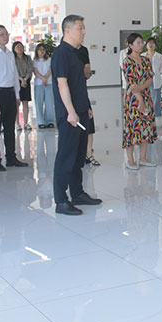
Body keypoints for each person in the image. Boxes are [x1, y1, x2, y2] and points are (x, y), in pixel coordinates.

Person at [51, 14, 102, 215]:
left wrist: (85, 107)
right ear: (67, 30)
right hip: (69, 115)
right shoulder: (61, 53)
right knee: (66, 156)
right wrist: (71, 112)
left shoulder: (76, 53)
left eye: (83, 28)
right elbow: (62, 84)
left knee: (79, 156)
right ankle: (61, 200)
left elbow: (78, 84)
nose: (83, 32)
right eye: (80, 28)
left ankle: (77, 193)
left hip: (81, 111)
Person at [0, 25, 27, 171]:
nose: (5, 37)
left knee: (9, 128)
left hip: (10, 93)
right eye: (1, 34)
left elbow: (14, 75)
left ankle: (11, 157)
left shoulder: (9, 54)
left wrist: (17, 95)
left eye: (6, 34)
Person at [122, 33, 158, 170]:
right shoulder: (127, 61)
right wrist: (140, 100)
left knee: (146, 126)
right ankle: (130, 160)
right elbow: (131, 83)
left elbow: (150, 78)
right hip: (133, 99)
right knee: (132, 127)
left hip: (146, 95)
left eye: (142, 42)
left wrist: (142, 88)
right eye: (138, 42)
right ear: (130, 45)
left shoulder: (146, 60)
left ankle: (142, 158)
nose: (141, 44)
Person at [76, 43, 100, 166]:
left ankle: (88, 153)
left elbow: (87, 71)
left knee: (89, 122)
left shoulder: (83, 50)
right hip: (69, 93)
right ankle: (77, 153)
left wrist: (87, 71)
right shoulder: (63, 51)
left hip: (82, 91)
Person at [13, 41, 34, 132]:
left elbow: (30, 69)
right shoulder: (12, 59)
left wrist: (25, 79)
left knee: (25, 102)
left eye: (21, 46)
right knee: (17, 103)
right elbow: (13, 71)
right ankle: (17, 124)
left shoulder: (27, 58)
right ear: (14, 49)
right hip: (16, 81)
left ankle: (26, 123)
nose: (20, 48)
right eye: (17, 47)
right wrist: (21, 79)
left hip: (26, 81)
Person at [32, 43, 55, 129]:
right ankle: (40, 121)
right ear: (36, 51)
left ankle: (50, 121)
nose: (42, 51)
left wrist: (45, 79)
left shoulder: (49, 59)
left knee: (49, 103)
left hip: (49, 83)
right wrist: (43, 79)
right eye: (40, 50)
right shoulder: (35, 61)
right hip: (38, 84)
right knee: (39, 103)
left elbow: (50, 70)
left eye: (43, 49)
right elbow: (35, 72)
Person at [145, 37, 162, 120]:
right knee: (146, 100)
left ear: (155, 45)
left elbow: (161, 69)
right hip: (145, 81)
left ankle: (157, 119)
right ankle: (147, 118)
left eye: (153, 43)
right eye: (149, 43)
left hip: (156, 81)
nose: (151, 45)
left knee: (156, 101)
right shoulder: (142, 56)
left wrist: (155, 74)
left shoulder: (159, 56)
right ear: (146, 45)